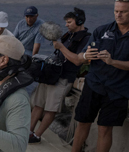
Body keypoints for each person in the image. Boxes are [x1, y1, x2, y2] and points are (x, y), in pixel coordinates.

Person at [56, 0, 129, 152]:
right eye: (116, 11)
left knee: (105, 129)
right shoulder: (101, 30)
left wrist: (113, 61)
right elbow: (84, 57)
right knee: (82, 121)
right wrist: (86, 55)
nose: (118, 15)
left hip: (118, 89)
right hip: (94, 83)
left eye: (123, 11)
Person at [29, 8, 90, 143]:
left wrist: (61, 47)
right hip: (50, 74)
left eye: (69, 22)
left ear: (79, 21)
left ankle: (37, 135)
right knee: (38, 104)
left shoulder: (86, 39)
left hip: (64, 77)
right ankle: (28, 131)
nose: (66, 25)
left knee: (51, 108)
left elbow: (77, 60)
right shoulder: (68, 35)